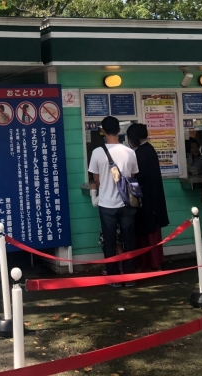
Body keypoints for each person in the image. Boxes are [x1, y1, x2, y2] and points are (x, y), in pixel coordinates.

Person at [89, 116, 139, 284]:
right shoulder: (130, 152)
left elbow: (97, 181)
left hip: (106, 204)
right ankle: (130, 276)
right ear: (119, 130)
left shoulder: (97, 152)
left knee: (109, 242)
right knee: (129, 240)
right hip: (127, 203)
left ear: (103, 132)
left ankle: (114, 277)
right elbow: (132, 177)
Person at [126, 123, 169, 271]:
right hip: (154, 199)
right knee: (153, 233)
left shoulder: (139, 154)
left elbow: (136, 179)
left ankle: (147, 263)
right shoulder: (150, 150)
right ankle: (155, 262)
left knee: (145, 234)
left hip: (144, 200)